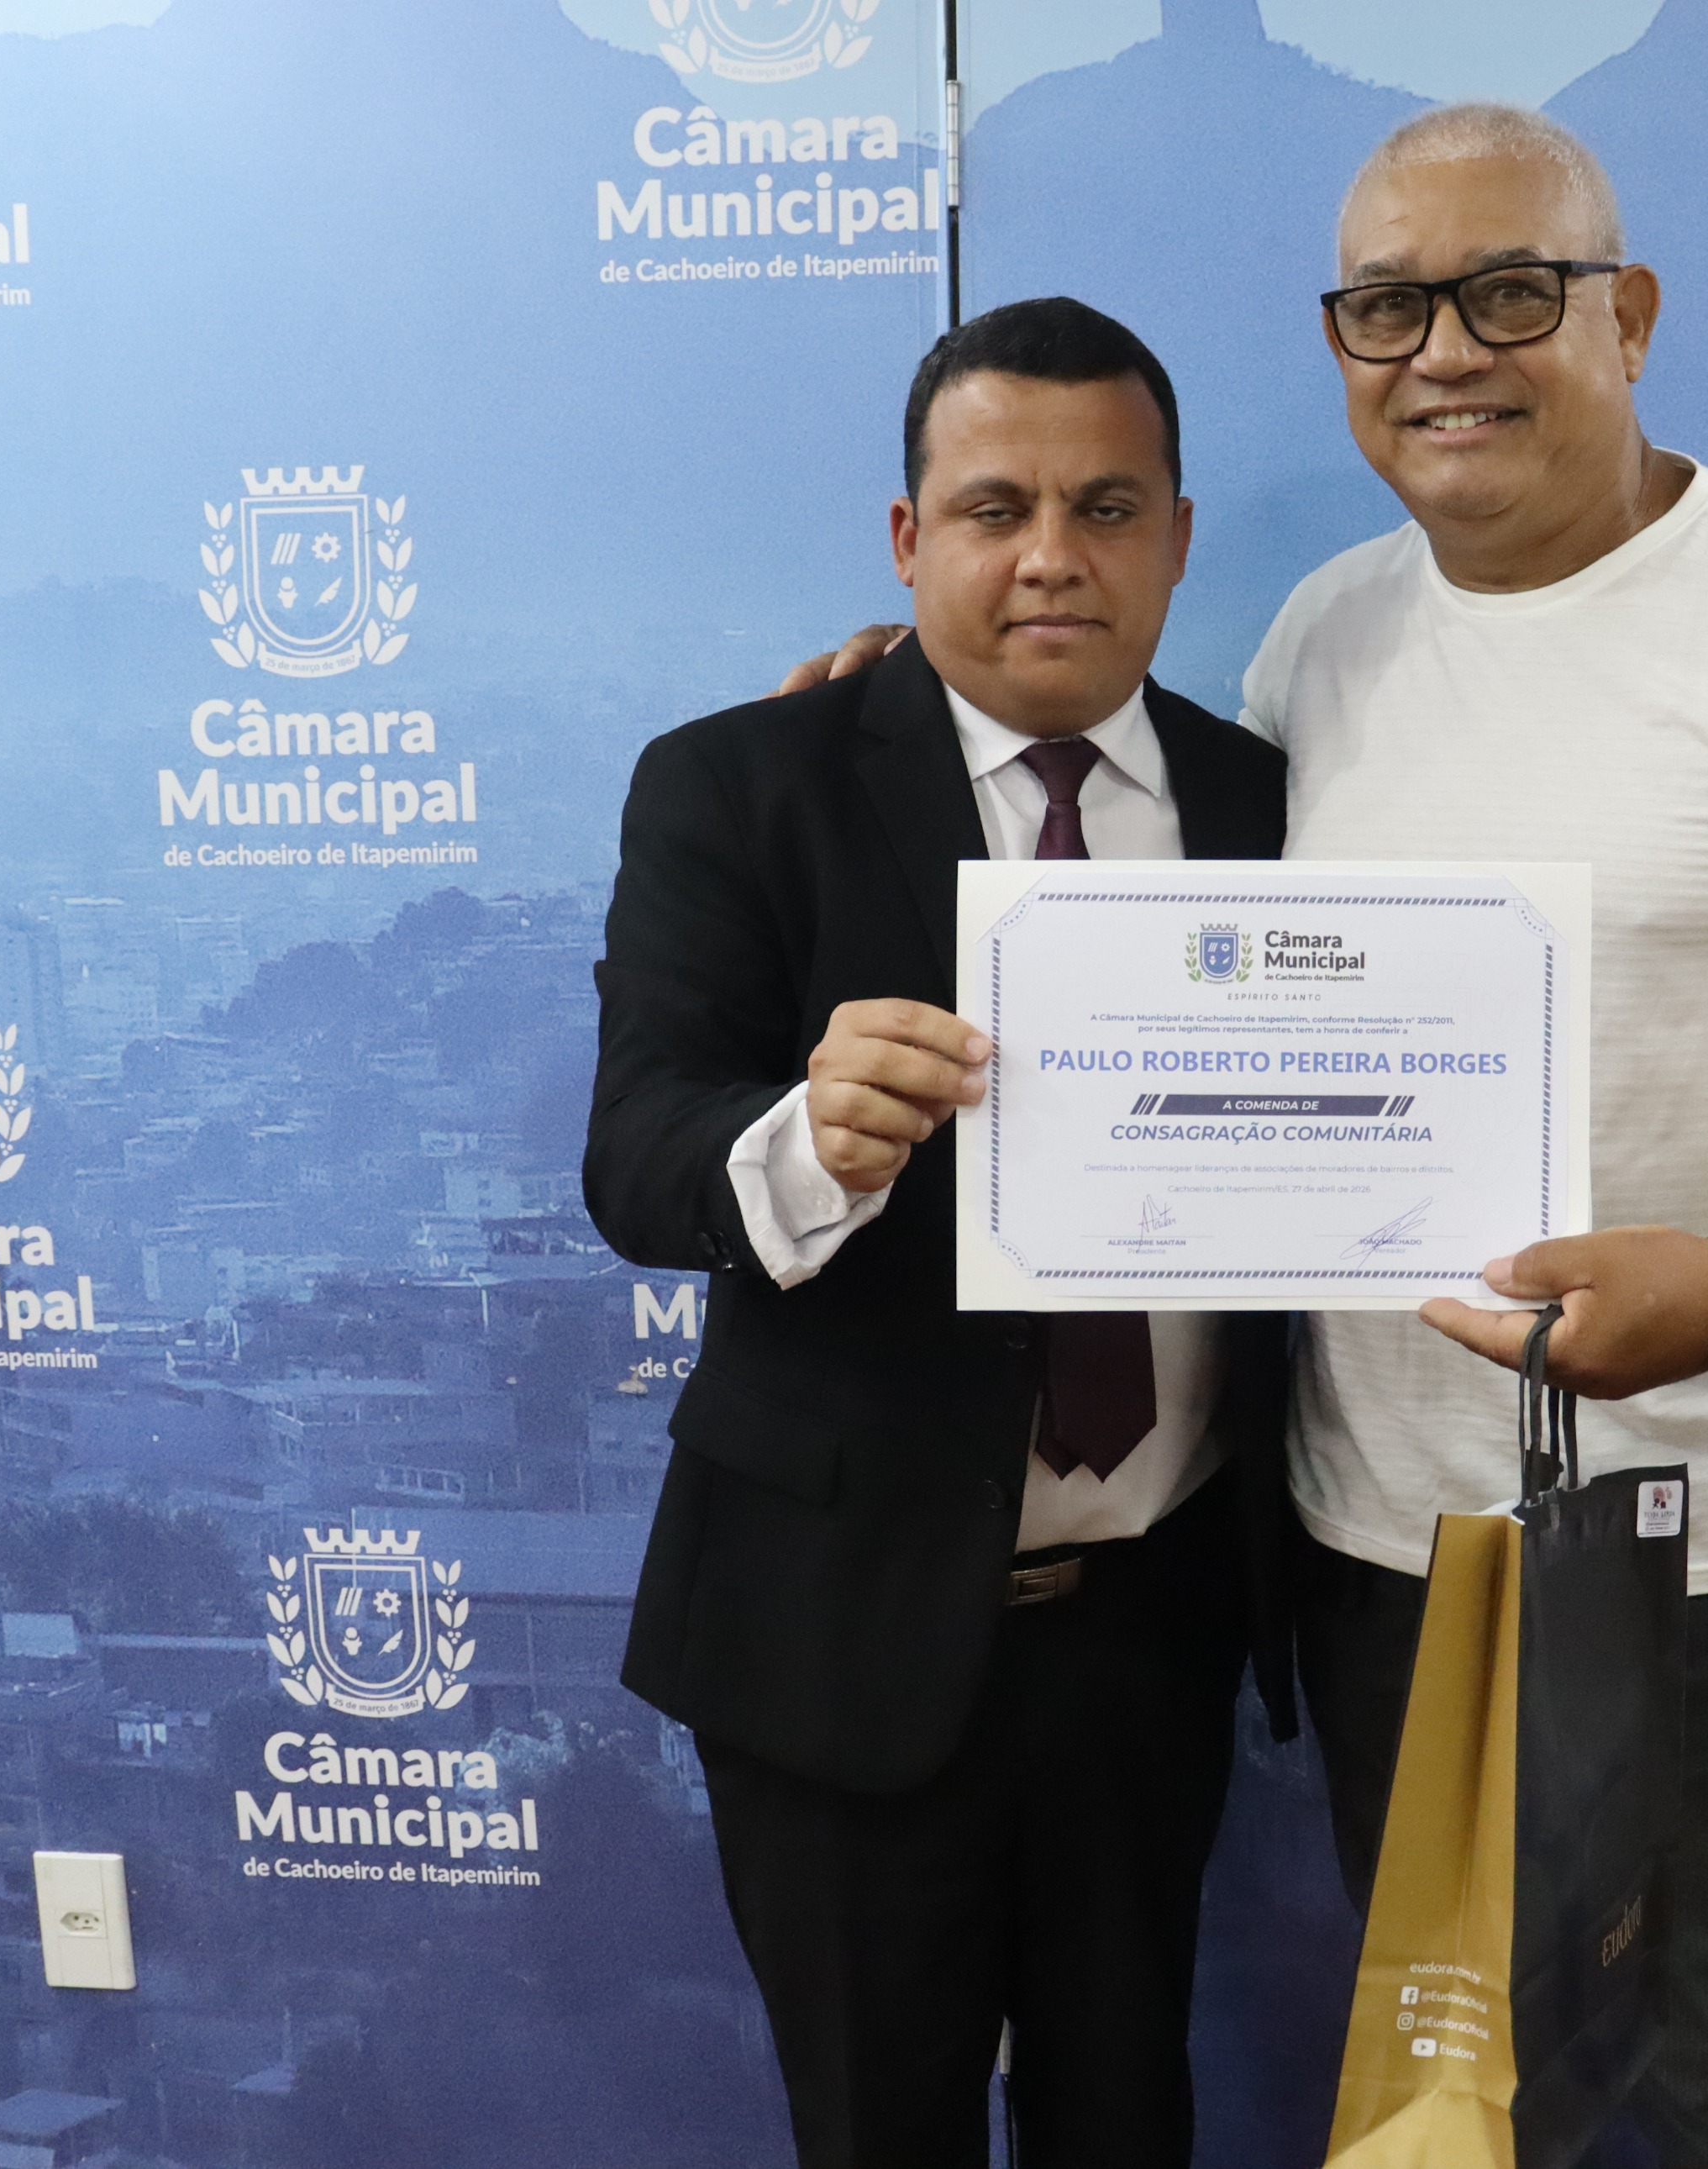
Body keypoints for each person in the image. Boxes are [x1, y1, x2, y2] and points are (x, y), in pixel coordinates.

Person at [789, 104, 1708, 2169]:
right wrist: (897, 711)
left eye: (1509, 294)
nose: (1444, 349)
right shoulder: (1328, 634)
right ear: (1341, 344)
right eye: (1388, 307)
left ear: (1629, 317)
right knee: (1459, 2111)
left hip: (1693, 1533)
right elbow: (1144, 920)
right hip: (1378, 1536)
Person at [586, 296, 1294, 2169]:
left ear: (1177, 538)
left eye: (1107, 507)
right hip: (835, 1632)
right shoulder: (739, 783)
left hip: (1155, 1631)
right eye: (995, 508)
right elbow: (637, 1156)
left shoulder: (1270, 806)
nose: (1052, 555)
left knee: (1126, 2120)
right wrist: (804, 1139)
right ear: (909, 541)